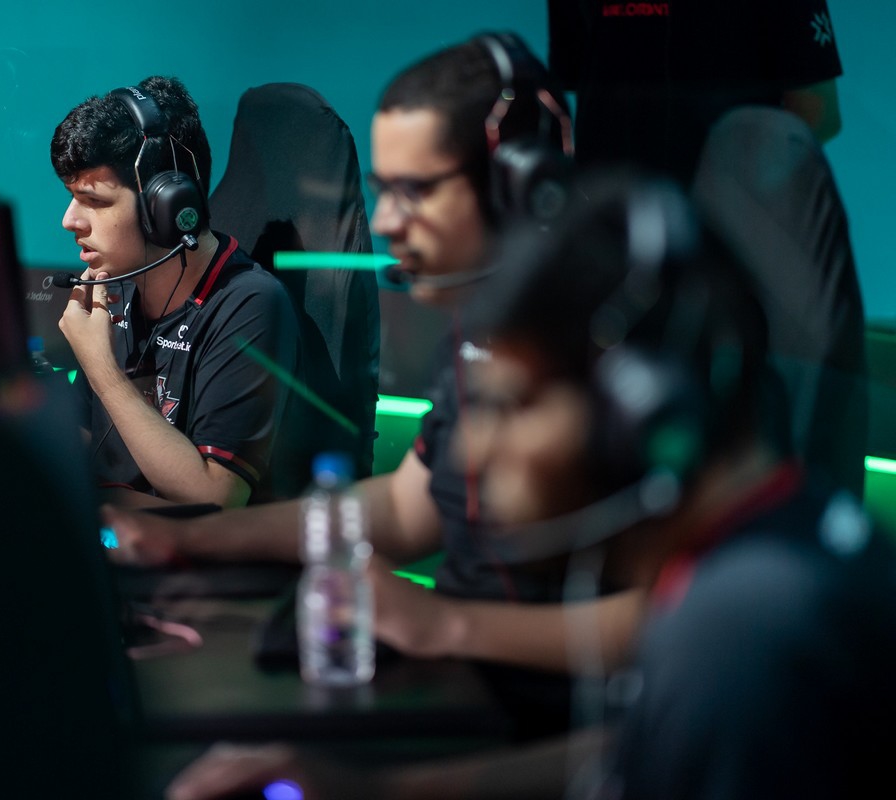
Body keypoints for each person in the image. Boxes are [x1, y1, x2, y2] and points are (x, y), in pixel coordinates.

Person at [163, 172, 896, 800]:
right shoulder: (773, 550)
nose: (475, 448)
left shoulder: (741, 630)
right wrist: (383, 792)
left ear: (637, 416)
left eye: (514, 406)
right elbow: (634, 753)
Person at [104, 36, 644, 709]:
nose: (385, 221)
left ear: (517, 185)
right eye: (384, 191)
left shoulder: (624, 350)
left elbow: (681, 613)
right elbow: (406, 508)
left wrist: (444, 624)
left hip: (558, 713)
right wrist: (188, 537)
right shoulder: (481, 337)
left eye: (415, 191)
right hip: (461, 676)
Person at [51, 76, 300, 508]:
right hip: (113, 535)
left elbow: (215, 497)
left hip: (186, 549)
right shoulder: (116, 283)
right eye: (72, 197)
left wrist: (101, 367)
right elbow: (83, 438)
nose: (69, 220)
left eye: (94, 200)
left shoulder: (249, 304)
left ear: (165, 206)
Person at [547, 0, 844, 186]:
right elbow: (575, 91)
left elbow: (817, 115)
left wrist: (747, 206)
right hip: (609, 231)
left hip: (729, 242)